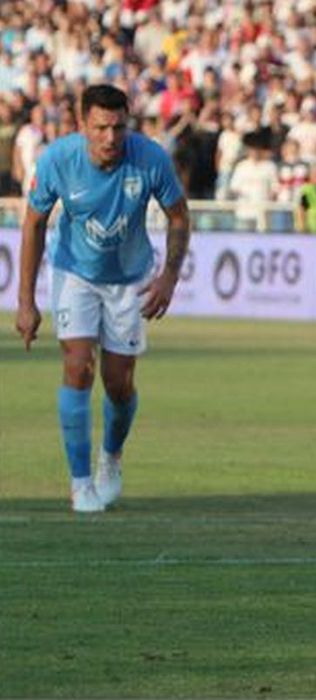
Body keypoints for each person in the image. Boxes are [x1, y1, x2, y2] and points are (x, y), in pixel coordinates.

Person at [15, 84, 190, 513]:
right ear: (81, 125)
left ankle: (110, 458)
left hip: (129, 279)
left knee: (118, 383)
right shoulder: (58, 160)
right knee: (77, 367)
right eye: (100, 128)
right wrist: (25, 301)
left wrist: (169, 275)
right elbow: (34, 224)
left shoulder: (148, 158)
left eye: (118, 127)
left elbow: (179, 216)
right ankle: (80, 484)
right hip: (75, 272)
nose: (111, 138)